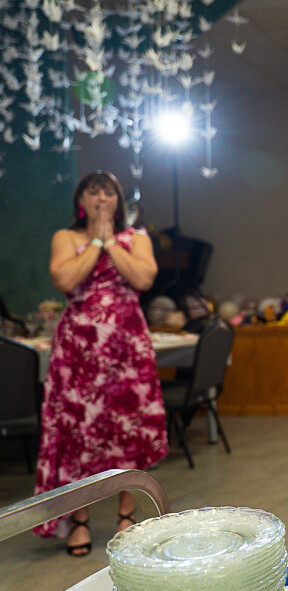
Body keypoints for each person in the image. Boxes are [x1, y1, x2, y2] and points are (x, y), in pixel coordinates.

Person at [33, 171, 168, 556]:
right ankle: (80, 519)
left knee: (128, 428)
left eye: (108, 192)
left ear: (118, 200)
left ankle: (127, 516)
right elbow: (65, 279)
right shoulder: (66, 237)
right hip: (80, 351)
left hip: (127, 349)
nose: (101, 199)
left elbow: (143, 278)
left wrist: (111, 241)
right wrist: (95, 240)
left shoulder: (137, 238)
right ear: (81, 201)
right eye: (93, 192)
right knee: (80, 433)